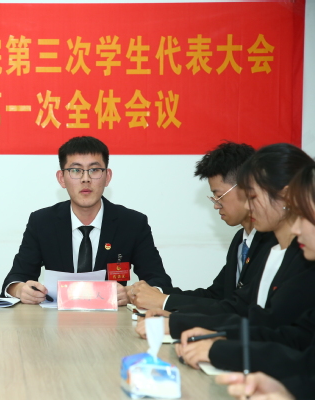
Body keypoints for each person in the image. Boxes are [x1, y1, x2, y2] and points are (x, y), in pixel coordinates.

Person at [136, 143, 315, 338]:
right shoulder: (253, 243)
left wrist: (179, 320)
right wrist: (176, 315)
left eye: (252, 196)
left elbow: (272, 328)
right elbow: (233, 304)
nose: (247, 205)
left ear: (286, 196)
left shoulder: (298, 255)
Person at [171, 164, 315, 398]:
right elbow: (297, 342)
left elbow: (278, 330)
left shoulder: (299, 260)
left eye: (253, 197)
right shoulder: (262, 245)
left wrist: (220, 347)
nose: (296, 227)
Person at [1, 136, 172, 305]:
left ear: (107, 177)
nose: (85, 179)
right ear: (61, 178)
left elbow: (159, 281)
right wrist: (20, 290)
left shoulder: (132, 223)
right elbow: (16, 278)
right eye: (76, 171)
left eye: (94, 170)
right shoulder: (42, 222)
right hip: (56, 319)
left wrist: (131, 294)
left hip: (113, 320)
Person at [128, 142, 275, 311]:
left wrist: (164, 301)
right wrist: (157, 293)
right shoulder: (240, 240)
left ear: (247, 188)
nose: (216, 205)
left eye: (219, 196)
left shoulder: (273, 243)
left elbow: (242, 308)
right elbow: (215, 296)